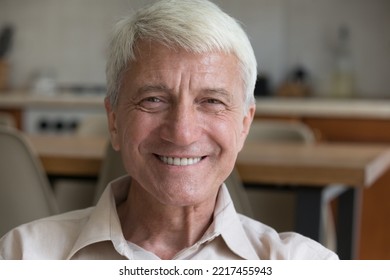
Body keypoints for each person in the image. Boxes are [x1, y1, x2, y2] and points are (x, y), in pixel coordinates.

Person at [0, 0, 338, 260]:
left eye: (211, 101)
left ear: (244, 124)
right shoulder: (24, 255)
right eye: (153, 99)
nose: (182, 133)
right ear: (114, 121)